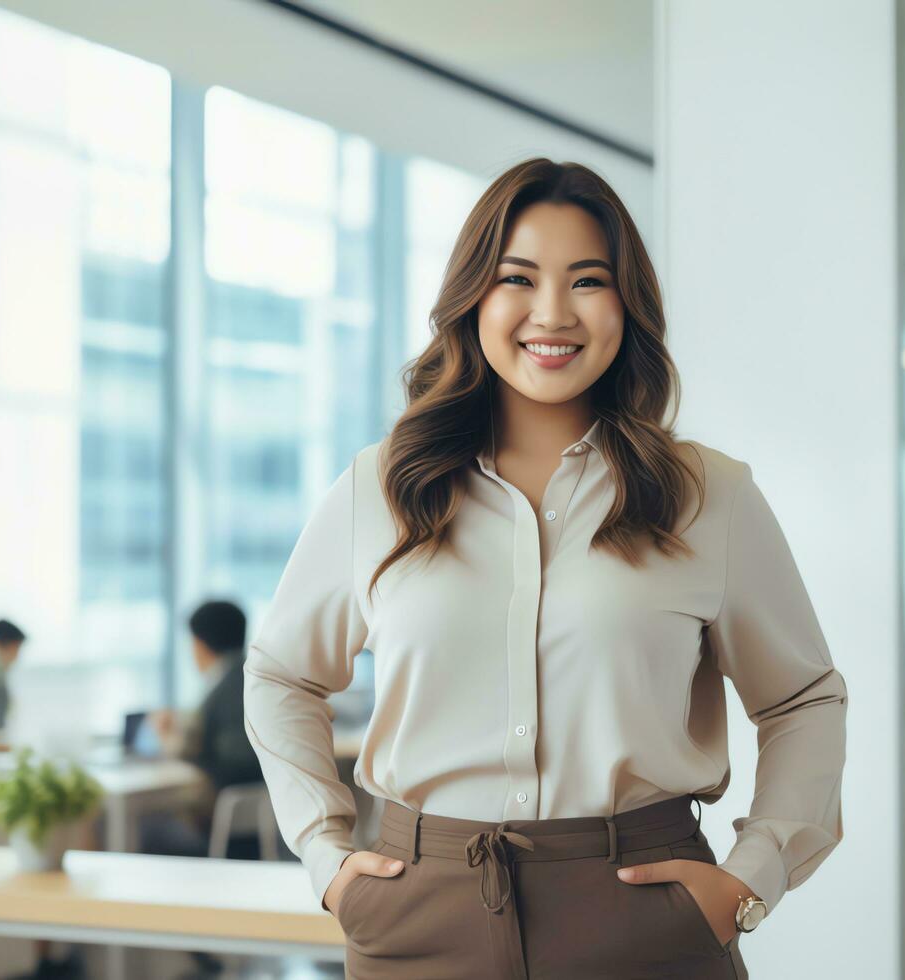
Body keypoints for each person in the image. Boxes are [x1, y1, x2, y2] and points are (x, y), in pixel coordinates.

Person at [243, 158, 847, 978]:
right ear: (474, 298)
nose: (552, 313)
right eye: (517, 278)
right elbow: (281, 675)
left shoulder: (710, 495)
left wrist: (750, 879)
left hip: (644, 916)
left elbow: (804, 697)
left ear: (626, 304)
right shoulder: (382, 487)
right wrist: (325, 857)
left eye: (588, 280)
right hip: (418, 913)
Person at [140, 600, 264, 858]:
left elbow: (201, 753)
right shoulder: (255, 677)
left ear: (200, 643)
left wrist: (166, 737)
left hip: (219, 823)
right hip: (257, 824)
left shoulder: (219, 688)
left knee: (148, 828)